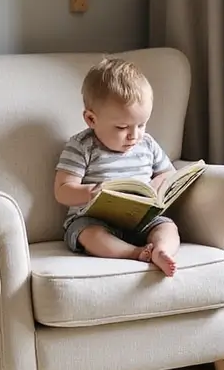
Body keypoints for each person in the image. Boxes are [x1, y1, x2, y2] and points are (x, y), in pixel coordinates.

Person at [54, 57, 181, 276]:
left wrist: (156, 185)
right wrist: (91, 192)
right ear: (91, 119)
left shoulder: (147, 144)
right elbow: (62, 190)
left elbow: (168, 173)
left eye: (141, 124)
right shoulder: (81, 146)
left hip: (141, 220)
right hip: (94, 220)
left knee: (168, 227)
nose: (134, 135)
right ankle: (135, 253)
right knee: (89, 235)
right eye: (122, 127)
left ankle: (161, 250)